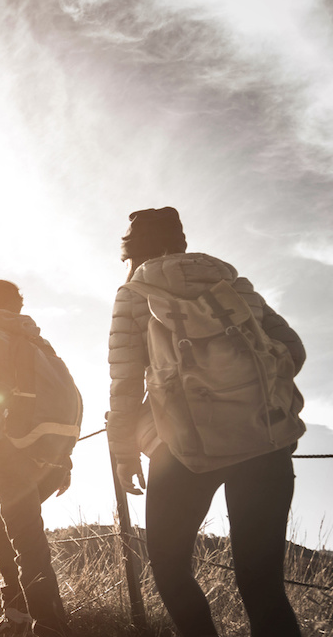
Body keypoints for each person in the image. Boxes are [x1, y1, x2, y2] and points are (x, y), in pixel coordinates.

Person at [108, 207, 305, 637]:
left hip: (180, 448)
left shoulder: (135, 291)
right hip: (264, 440)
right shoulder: (230, 281)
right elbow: (293, 348)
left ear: (132, 251)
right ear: (180, 242)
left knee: (170, 568)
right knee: (262, 585)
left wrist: (125, 453)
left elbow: (124, 384)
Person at [0, 281, 75, 637]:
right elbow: (61, 396)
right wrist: (65, 460)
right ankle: (16, 617)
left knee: (28, 541)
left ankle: (48, 628)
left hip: (10, 448)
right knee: (0, 525)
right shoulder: (36, 340)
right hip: (51, 451)